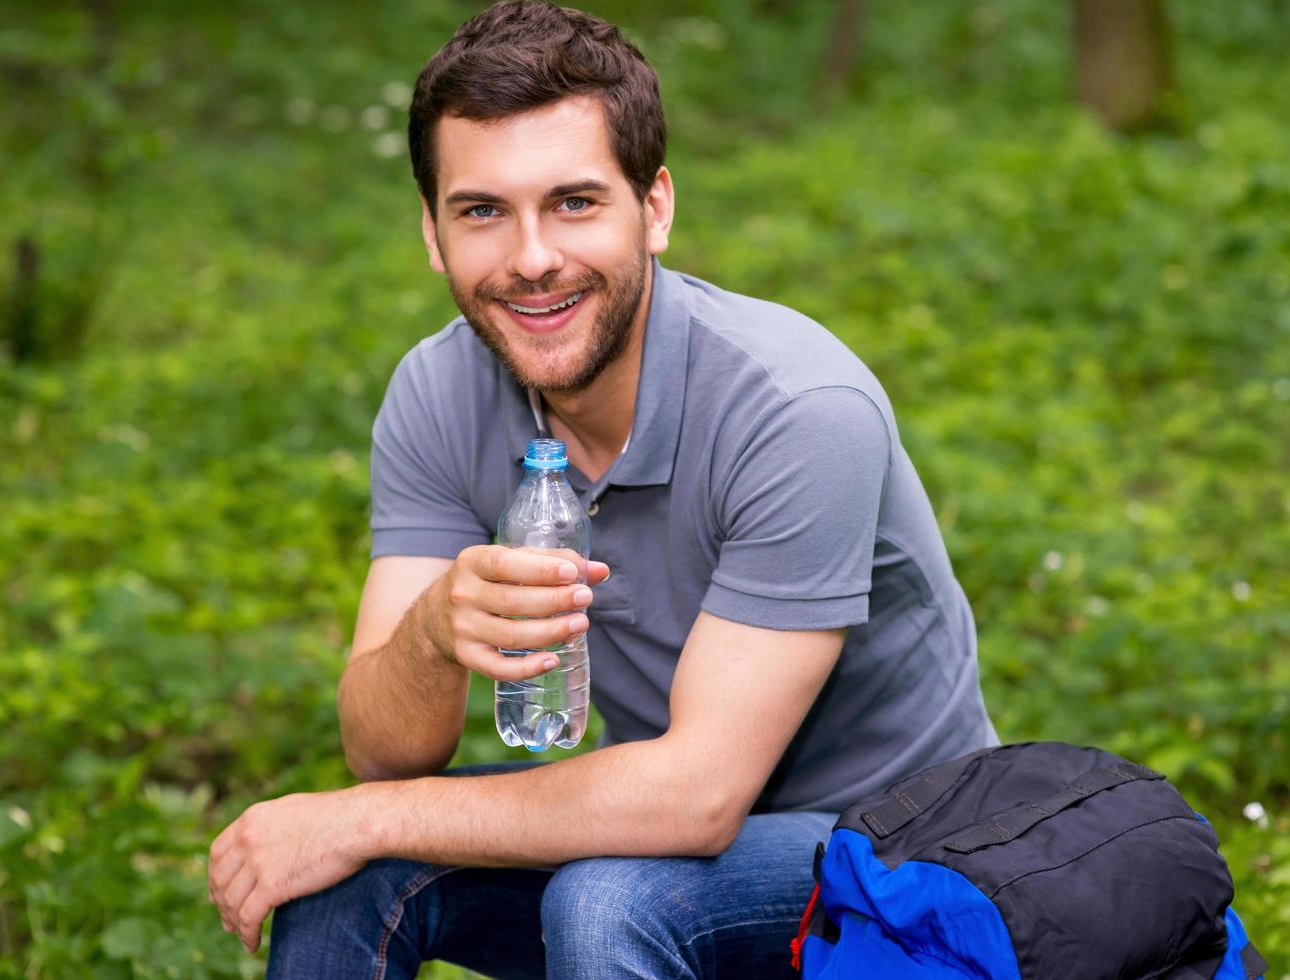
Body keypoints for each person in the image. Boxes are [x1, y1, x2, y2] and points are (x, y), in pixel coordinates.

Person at [207, 2, 997, 976]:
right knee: (343, 870)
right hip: (672, 833)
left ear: (653, 207)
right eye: (483, 210)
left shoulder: (798, 407)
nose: (532, 258)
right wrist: (428, 629)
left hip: (910, 863)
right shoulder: (437, 390)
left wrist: (353, 816)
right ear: (431, 232)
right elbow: (384, 754)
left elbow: (696, 796)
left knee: (605, 893)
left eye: (573, 202)